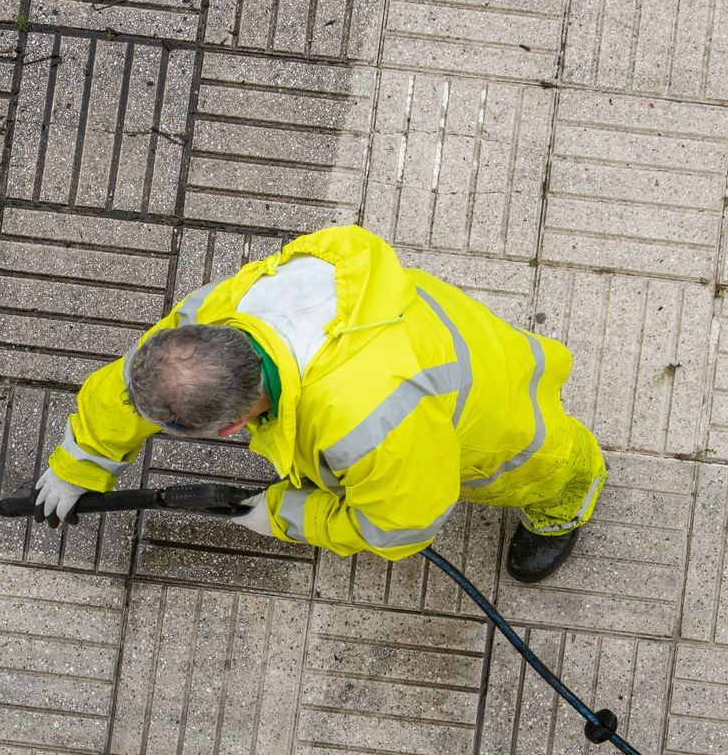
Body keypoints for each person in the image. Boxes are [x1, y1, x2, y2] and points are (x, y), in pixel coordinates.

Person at [34, 225, 606, 582]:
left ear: (232, 427)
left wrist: (288, 517)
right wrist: (79, 463)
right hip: (436, 338)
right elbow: (133, 388)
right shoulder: (217, 317)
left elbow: (402, 522)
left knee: (540, 463)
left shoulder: (366, 424)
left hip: (492, 414)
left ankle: (569, 499)